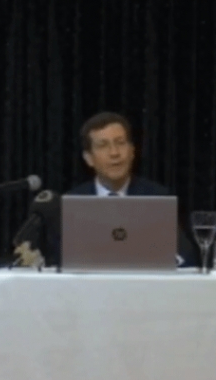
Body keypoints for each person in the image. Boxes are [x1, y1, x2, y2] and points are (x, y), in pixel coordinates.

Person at [64, 111, 198, 267]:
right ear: (89, 158)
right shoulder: (73, 203)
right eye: (103, 146)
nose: (114, 153)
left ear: (132, 151)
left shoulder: (156, 198)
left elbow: (185, 258)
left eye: (120, 143)